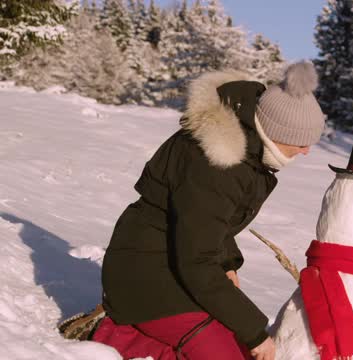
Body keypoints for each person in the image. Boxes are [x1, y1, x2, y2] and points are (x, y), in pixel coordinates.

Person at [91, 61, 325, 360]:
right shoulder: (218, 163)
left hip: (174, 262)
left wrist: (226, 262)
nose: (306, 151)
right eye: (302, 142)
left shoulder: (246, 150)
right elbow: (196, 260)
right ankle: (113, 335)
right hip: (145, 273)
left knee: (240, 348)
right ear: (277, 131)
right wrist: (254, 332)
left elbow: (208, 221)